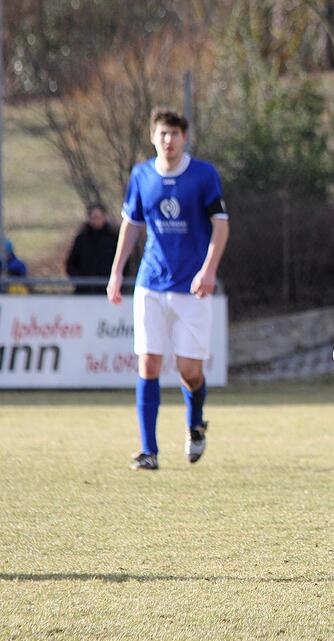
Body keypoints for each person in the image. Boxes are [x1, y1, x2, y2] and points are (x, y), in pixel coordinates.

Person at [107, 108, 229, 471]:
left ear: (184, 137)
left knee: (190, 372)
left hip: (193, 288)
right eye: (162, 133)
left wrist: (209, 271)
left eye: (175, 134)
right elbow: (130, 226)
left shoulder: (203, 175)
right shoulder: (141, 175)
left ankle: (195, 422)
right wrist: (116, 273)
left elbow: (221, 226)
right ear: (152, 136)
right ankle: (148, 450)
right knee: (148, 362)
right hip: (151, 283)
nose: (168, 140)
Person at [67, 203, 126, 295]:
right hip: (84, 291)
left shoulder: (113, 238)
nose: (95, 220)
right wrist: (80, 283)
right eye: (93, 217)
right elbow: (71, 264)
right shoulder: (82, 238)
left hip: (108, 290)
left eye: (98, 217)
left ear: (104, 217)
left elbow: (124, 262)